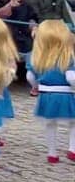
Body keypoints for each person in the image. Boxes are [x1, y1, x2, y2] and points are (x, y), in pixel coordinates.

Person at [28, 20, 75, 162]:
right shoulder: (69, 58)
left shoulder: (37, 58)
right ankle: (72, 149)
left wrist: (35, 86)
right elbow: (71, 78)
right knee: (73, 122)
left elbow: (29, 76)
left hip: (46, 95)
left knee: (50, 123)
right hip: (66, 94)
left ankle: (52, 153)